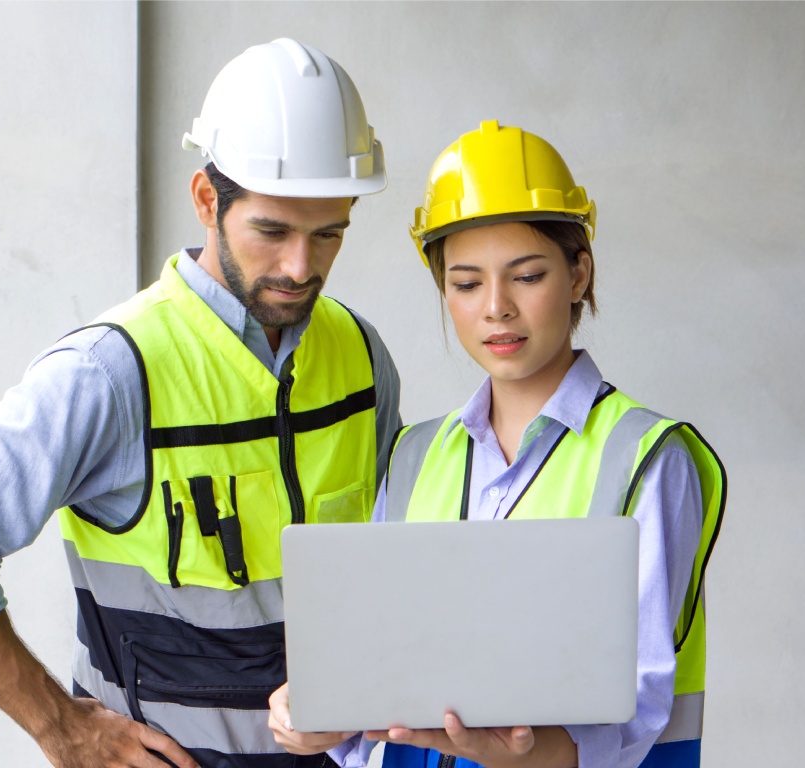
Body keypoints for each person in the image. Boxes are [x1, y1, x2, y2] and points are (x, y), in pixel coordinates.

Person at [0, 38, 401, 768]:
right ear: (206, 200)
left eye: (329, 234)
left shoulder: (361, 356)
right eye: (272, 232)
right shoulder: (111, 373)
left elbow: (385, 574)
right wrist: (63, 726)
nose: (299, 267)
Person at [267, 121, 725, 768]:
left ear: (578, 274)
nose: (496, 309)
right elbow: (381, 681)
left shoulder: (646, 457)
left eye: (527, 275)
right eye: (466, 283)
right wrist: (323, 717)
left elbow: (640, 713)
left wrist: (516, 754)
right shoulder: (413, 457)